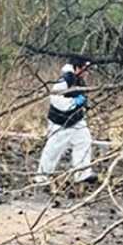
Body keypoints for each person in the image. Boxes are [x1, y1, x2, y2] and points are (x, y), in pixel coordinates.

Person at [34, 57, 98, 185]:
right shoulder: (65, 79)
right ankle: (41, 177)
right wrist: (74, 102)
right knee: (53, 149)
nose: (87, 73)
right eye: (85, 69)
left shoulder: (79, 80)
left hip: (76, 120)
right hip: (60, 121)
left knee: (84, 141)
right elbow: (56, 99)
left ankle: (82, 173)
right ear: (77, 68)